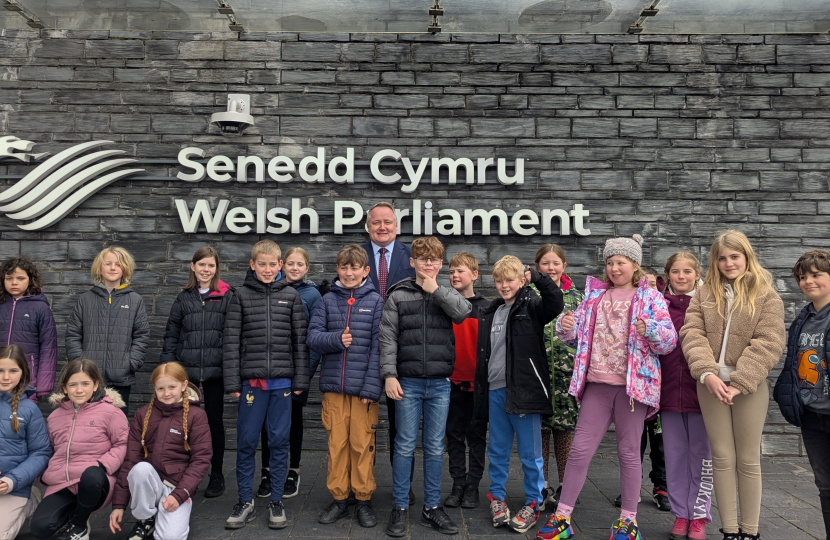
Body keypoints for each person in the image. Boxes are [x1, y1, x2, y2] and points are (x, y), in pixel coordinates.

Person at [537, 234, 677, 540]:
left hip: (632, 391)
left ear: (635, 264)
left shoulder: (650, 297)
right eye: (610, 262)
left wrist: (650, 329)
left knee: (629, 454)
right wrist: (567, 328)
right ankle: (562, 518)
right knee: (579, 453)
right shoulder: (595, 297)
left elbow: (668, 341)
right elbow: (576, 338)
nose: (615, 268)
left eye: (621, 262)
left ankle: (628, 521)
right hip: (597, 386)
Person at [681, 230, 785, 540]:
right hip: (710, 384)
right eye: (722, 257)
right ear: (715, 261)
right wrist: (708, 374)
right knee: (722, 457)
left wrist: (741, 381)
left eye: (734, 256)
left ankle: (749, 532)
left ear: (746, 256)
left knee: (748, 458)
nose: (728, 263)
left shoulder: (766, 294)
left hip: (748, 388)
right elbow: (692, 333)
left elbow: (770, 340)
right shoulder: (704, 293)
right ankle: (729, 530)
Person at [380, 236, 471, 537]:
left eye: (433, 259)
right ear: (412, 262)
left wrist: (436, 290)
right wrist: (389, 375)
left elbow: (463, 311)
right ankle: (400, 507)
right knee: (404, 445)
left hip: (440, 384)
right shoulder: (398, 294)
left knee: (434, 447)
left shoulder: (444, 292)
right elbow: (388, 337)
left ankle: (432, 507)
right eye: (422, 259)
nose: (428, 264)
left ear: (440, 263)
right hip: (407, 383)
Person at [223, 240, 310, 530]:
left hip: (283, 384)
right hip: (252, 384)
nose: (268, 269)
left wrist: (300, 379)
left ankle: (276, 500)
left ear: (280, 266)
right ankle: (245, 500)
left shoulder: (291, 297)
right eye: (262, 264)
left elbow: (300, 342)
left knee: (278, 442)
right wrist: (233, 381)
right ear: (253, 265)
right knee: (247, 441)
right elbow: (231, 341)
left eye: (273, 264)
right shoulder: (240, 296)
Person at [474, 256, 564, 533]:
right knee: (498, 450)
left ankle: (534, 502)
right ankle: (497, 498)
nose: (503, 285)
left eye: (509, 280)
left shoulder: (532, 306)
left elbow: (555, 302)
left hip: (524, 393)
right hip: (496, 391)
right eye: (499, 281)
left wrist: (538, 277)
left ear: (521, 280)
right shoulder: (492, 311)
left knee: (530, 454)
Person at [307, 244, 384, 528]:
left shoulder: (376, 302)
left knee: (362, 445)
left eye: (355, 268)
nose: (349, 273)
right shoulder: (326, 301)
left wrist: (370, 389)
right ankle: (339, 499)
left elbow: (380, 348)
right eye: (344, 267)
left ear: (365, 271)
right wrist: (336, 339)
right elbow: (313, 338)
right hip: (334, 390)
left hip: (364, 393)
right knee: (337, 446)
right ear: (337, 269)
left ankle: (363, 500)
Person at [161, 246, 234, 499]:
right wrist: (168, 372)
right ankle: (181, 474)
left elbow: (234, 335)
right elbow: (171, 335)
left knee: (214, 423)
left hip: (216, 372)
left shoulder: (227, 296)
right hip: (187, 374)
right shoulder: (184, 298)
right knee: (183, 424)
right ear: (193, 266)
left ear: (216, 268)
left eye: (211, 265)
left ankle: (216, 474)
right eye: (201, 264)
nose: (206, 269)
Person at [109, 362, 212, 540]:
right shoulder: (142, 415)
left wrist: (179, 495)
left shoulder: (196, 416)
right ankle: (145, 519)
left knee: (170, 537)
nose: (166, 393)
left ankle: (166, 515)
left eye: (172, 387)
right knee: (140, 469)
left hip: (177, 486)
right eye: (160, 388)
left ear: (184, 385)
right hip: (150, 483)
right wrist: (119, 504)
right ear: (154, 389)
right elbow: (131, 460)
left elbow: (201, 460)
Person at [33, 359, 129, 540]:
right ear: (64, 387)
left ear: (95, 385)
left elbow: (123, 443)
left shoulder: (111, 413)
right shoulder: (55, 417)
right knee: (40, 529)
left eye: (85, 383)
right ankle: (77, 515)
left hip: (95, 481)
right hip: (62, 481)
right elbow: (51, 449)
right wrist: (46, 473)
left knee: (90, 475)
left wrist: (102, 465)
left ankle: (79, 526)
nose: (79, 390)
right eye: (73, 384)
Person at [361, 201, 417, 504]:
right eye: (376, 222)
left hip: (403, 347)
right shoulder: (356, 255)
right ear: (367, 226)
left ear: (396, 225)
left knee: (402, 426)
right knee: (362, 423)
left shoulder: (412, 256)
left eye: (388, 222)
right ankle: (361, 486)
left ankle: (402, 485)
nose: (382, 227)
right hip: (363, 348)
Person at [257, 247, 322, 500]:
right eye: (291, 263)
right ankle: (267, 471)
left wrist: (305, 373)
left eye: (300, 264)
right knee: (266, 422)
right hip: (272, 369)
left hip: (298, 372)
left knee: (293, 420)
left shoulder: (313, 295)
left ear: (307, 267)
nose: (295, 268)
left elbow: (315, 338)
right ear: (283, 265)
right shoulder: (270, 289)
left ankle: (292, 470)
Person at [774, 249, 830, 540]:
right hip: (812, 416)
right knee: (824, 485)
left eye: (817, 275)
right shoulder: (803, 319)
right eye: (803, 277)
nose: (809, 281)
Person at [657, 253, 711, 540]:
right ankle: (681, 515)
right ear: (667, 275)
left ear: (696, 274)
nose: (681, 276)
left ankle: (699, 515)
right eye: (675, 271)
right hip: (668, 394)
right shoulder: (658, 305)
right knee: (675, 457)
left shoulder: (708, 304)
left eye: (687, 271)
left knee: (702, 457)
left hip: (702, 394)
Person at [65, 246, 150, 413]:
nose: (113, 268)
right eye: (108, 263)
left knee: (117, 425)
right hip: (88, 378)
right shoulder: (86, 299)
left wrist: (130, 363)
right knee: (87, 423)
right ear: (99, 268)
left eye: (118, 264)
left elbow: (142, 335)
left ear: (125, 268)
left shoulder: (135, 300)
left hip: (121, 377)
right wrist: (80, 363)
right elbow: (73, 334)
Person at [615, 267, 670, 512]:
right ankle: (632, 488)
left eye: (650, 283)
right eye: (642, 283)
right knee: (634, 441)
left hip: (663, 387)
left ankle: (662, 486)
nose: (645, 286)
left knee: (660, 441)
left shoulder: (661, 309)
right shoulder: (631, 310)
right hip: (636, 389)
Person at [533, 245, 582, 511]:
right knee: (539, 436)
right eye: (545, 263)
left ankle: (567, 487)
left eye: (555, 263)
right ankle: (540, 486)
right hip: (537, 378)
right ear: (537, 266)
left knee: (564, 436)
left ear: (564, 266)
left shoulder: (578, 297)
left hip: (566, 378)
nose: (551, 268)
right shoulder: (528, 295)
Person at [443, 252, 490, 510]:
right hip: (451, 384)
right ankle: (457, 483)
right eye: (451, 271)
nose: (455, 276)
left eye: (460, 271)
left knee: (476, 436)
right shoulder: (445, 306)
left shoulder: (487, 308)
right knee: (453, 436)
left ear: (474, 274)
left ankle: (473, 486)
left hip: (478, 385)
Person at [0, 344, 51, 540]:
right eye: (0, 370)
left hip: (14, 487)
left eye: (12, 371)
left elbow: (41, 453)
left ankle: (30, 503)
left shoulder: (29, 409)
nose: (5, 377)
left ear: (22, 373)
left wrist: (12, 480)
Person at [0, 257, 58, 403]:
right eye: (9, 278)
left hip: (27, 380)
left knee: (22, 421)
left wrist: (43, 385)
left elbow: (48, 347)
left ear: (30, 279)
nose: (14, 282)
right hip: (1, 376)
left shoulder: (40, 308)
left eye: (20, 278)